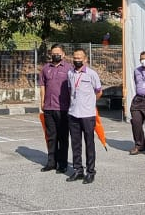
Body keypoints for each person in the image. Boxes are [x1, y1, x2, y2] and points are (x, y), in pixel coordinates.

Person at [66, 47, 103, 183]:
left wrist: (90, 102)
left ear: (85, 59)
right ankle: (78, 170)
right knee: (76, 144)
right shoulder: (70, 73)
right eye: (75, 58)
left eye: (79, 58)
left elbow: (99, 92)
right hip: (73, 113)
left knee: (89, 143)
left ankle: (90, 171)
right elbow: (71, 90)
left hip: (87, 115)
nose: (77, 60)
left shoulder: (92, 74)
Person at [37, 43, 70, 174]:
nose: (56, 55)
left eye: (58, 53)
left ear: (63, 54)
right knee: (51, 137)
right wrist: (42, 103)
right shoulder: (46, 68)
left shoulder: (69, 69)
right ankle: (51, 162)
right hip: (49, 107)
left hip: (63, 108)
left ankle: (62, 164)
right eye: (53, 53)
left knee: (63, 137)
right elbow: (42, 86)